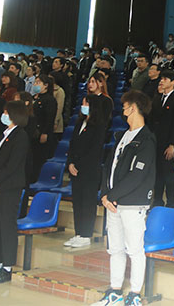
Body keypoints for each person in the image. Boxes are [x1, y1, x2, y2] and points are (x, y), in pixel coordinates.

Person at [95, 90, 156, 306]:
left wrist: (112, 196)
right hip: (113, 203)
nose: (123, 109)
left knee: (135, 250)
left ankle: (135, 294)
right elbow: (108, 167)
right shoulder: (122, 136)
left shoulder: (147, 139)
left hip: (132, 203)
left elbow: (137, 175)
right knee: (115, 249)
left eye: (125, 106)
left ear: (134, 108)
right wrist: (105, 194)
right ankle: (115, 291)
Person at [64, 95, 111, 248]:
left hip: (89, 170)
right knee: (77, 202)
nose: (83, 106)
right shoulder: (80, 123)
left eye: (86, 103)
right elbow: (72, 144)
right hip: (75, 169)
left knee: (87, 203)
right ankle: (78, 233)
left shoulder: (99, 125)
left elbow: (94, 150)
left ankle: (86, 234)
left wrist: (79, 165)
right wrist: (71, 163)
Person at [0, 101, 29, 284]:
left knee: (7, 226)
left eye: (7, 112)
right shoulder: (5, 134)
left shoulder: (20, 136)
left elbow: (11, 166)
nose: (4, 115)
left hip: (9, 188)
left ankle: (7, 267)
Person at [149, 70, 174, 208]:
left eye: (165, 79)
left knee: (168, 173)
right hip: (155, 140)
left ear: (173, 82)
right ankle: (157, 200)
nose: (161, 81)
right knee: (157, 172)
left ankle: (171, 201)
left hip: (167, 142)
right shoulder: (157, 98)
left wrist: (172, 144)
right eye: (161, 78)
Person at [31, 75, 58, 186]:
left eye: (38, 82)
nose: (35, 85)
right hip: (33, 133)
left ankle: (37, 180)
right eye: (35, 82)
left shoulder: (50, 100)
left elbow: (49, 118)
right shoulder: (36, 98)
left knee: (39, 159)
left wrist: (45, 133)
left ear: (46, 85)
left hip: (42, 132)